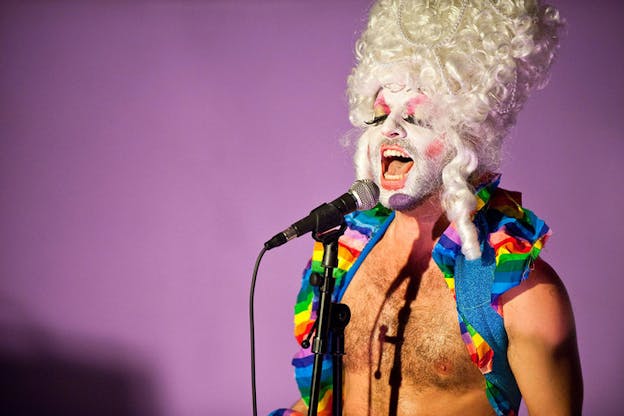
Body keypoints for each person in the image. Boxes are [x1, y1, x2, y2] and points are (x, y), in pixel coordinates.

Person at [271, 0, 582, 415]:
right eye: (380, 115)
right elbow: (332, 398)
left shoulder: (523, 292)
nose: (391, 128)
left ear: (465, 138)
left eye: (416, 119)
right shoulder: (342, 255)